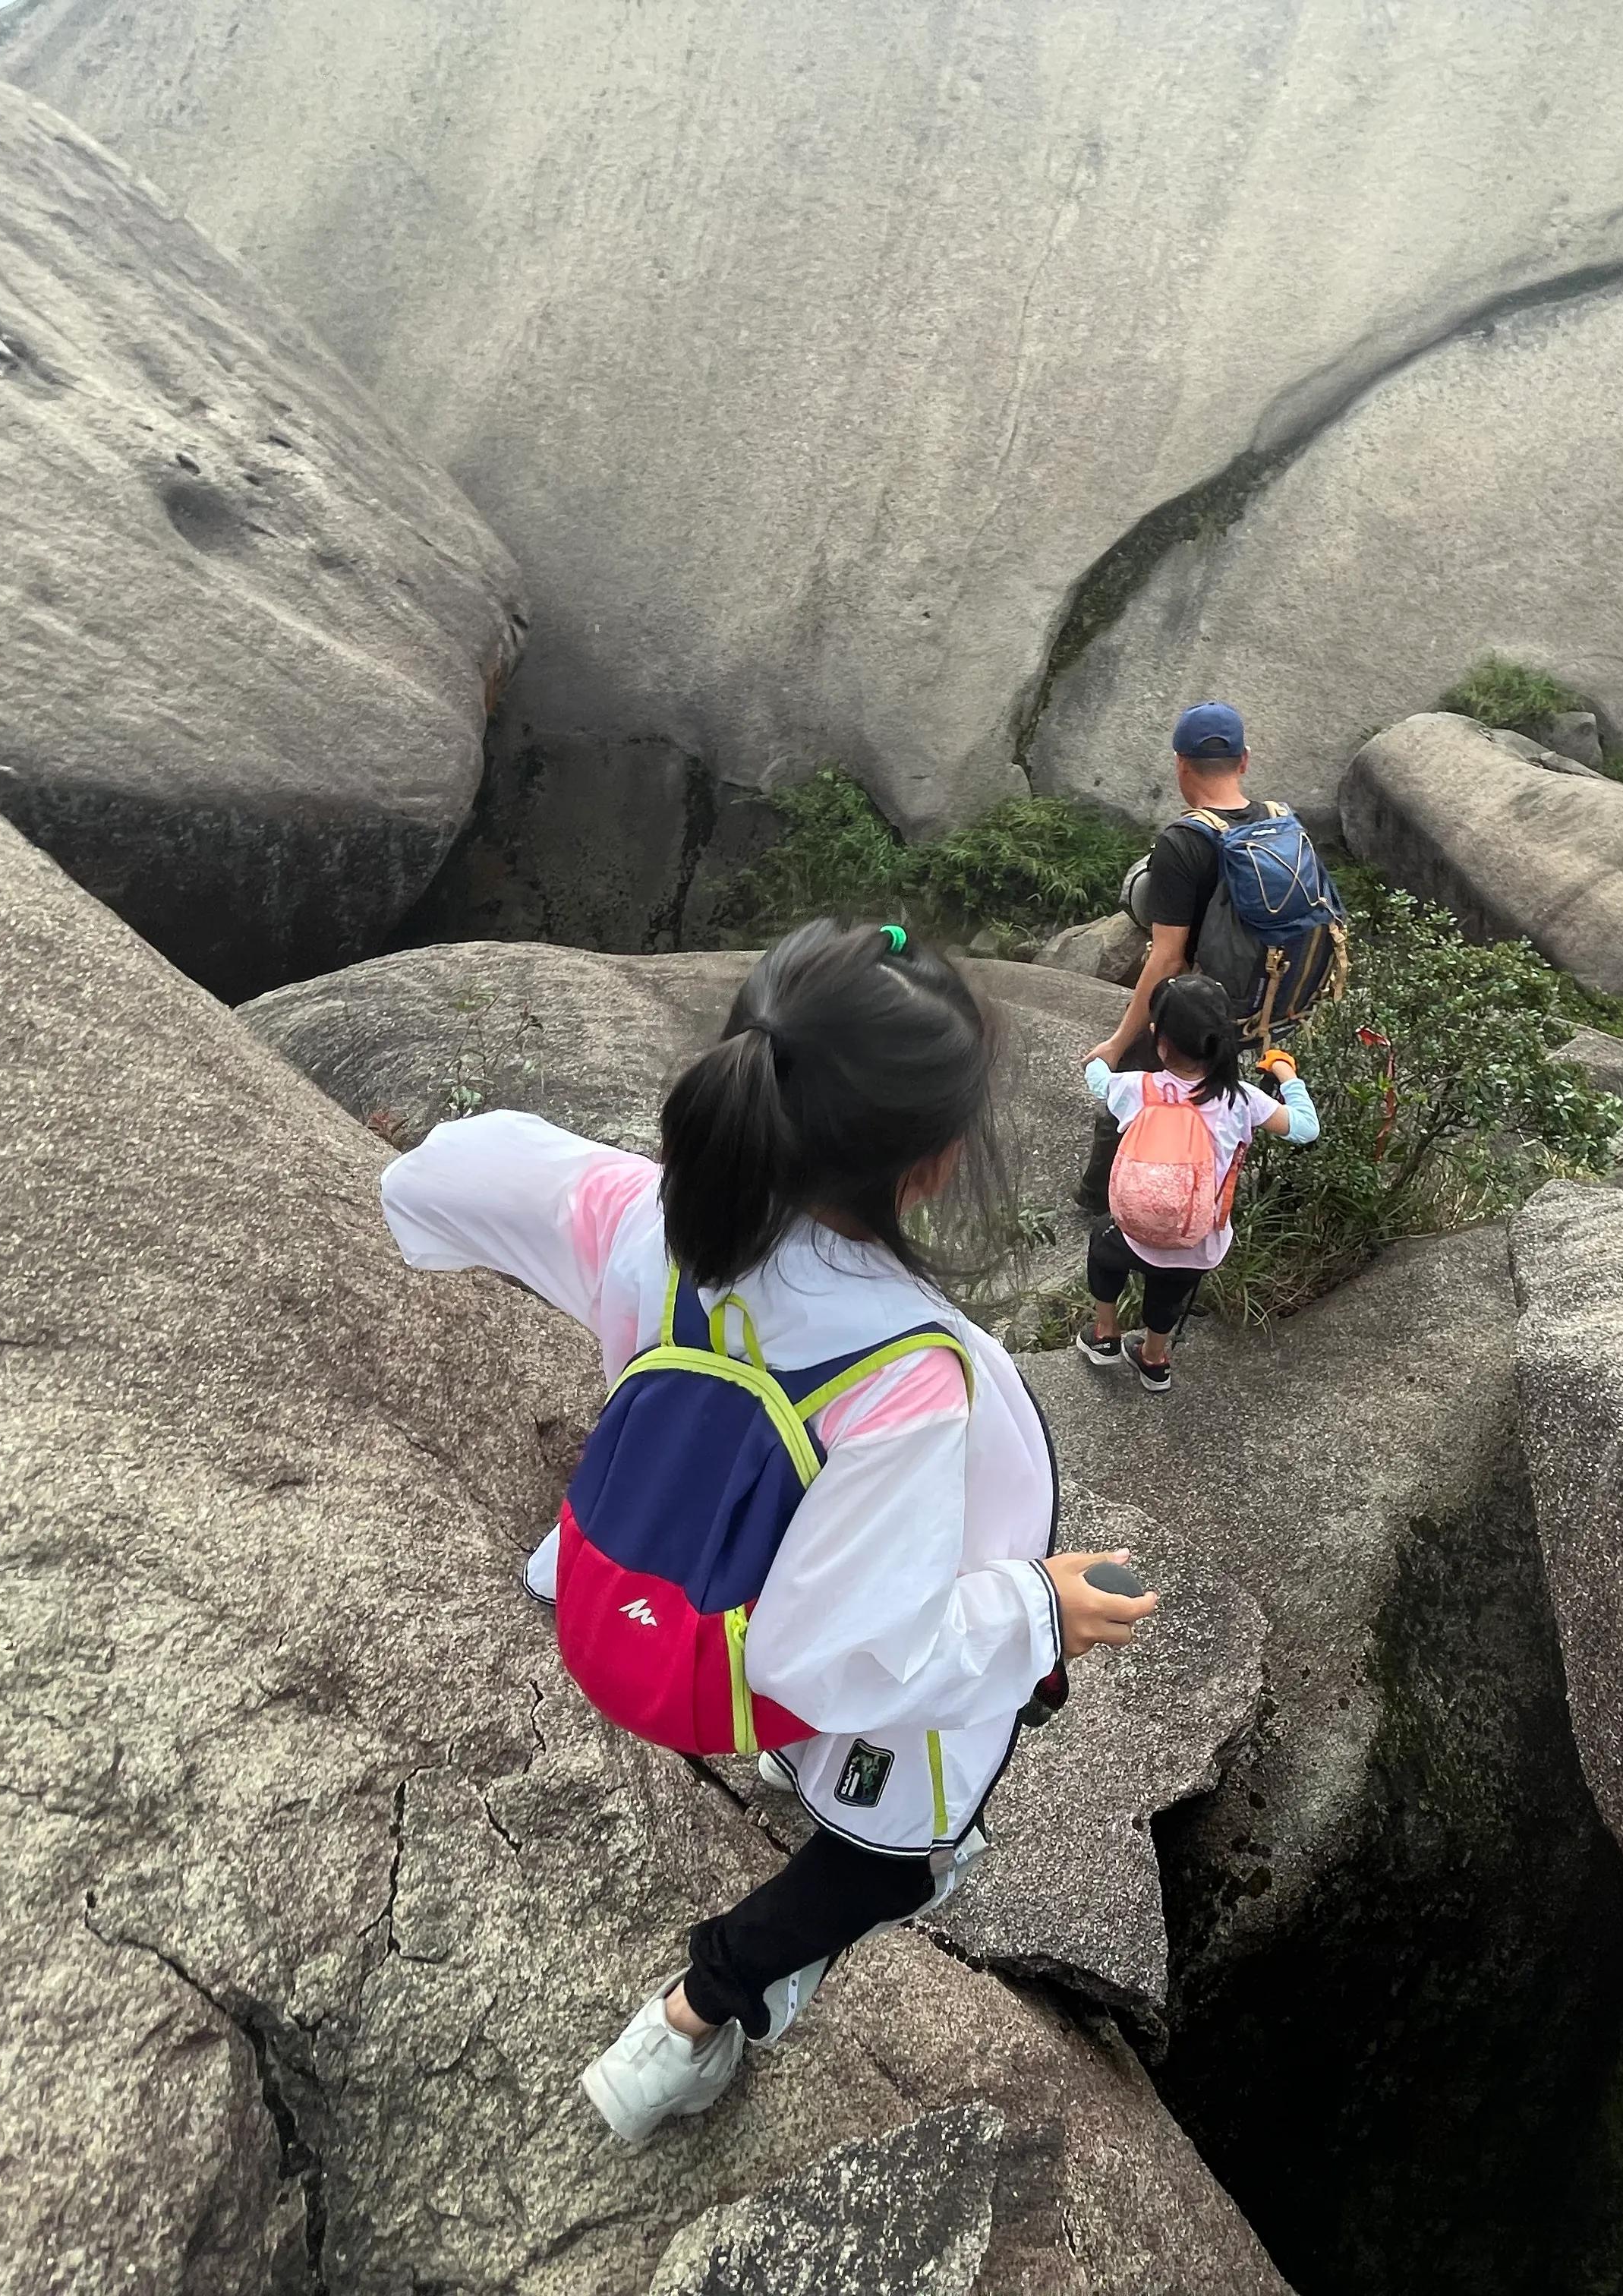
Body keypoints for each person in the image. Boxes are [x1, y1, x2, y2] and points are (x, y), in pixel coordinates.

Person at [378, 920, 1158, 2144]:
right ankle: (691, 2022)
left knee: (845, 1741)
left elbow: (436, 1178)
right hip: (771, 1669)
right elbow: (836, 1656)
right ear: (933, 1166)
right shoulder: (909, 1371)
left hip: (631, 1590)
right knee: (900, 1858)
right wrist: (1041, 1610)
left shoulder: (654, 1220)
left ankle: (785, 1815)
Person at [1078, 699, 1341, 1211]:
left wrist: (1117, 1042)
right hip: (1268, 999)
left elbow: (1168, 960)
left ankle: (1101, 1203)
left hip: (1200, 1008)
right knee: (1231, 1102)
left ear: (1180, 763)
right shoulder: (1281, 820)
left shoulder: (1183, 841)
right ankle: (1218, 1191)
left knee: (1128, 1094)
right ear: (1244, 760)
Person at [1075, 973, 1319, 1391]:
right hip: (1199, 1239)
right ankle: (1154, 1360)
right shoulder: (1242, 1099)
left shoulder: (1138, 1088)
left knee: (1103, 1244)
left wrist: (1103, 1055)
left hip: (1134, 1233)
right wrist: (1285, 1073)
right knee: (1171, 1288)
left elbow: (1097, 1078)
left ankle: (1105, 1334)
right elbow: (1305, 1128)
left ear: (1159, 1039)